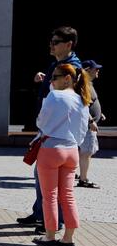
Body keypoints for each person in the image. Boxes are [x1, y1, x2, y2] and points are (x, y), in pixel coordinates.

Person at [17, 26, 81, 233]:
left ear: (68, 44)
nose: (51, 45)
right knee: (64, 192)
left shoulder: (71, 68)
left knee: (52, 190)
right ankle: (55, 226)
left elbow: (58, 103)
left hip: (54, 137)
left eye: (55, 42)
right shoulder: (61, 66)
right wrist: (46, 78)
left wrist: (43, 128)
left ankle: (50, 228)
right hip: (66, 142)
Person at [32, 63, 91, 246]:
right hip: (72, 149)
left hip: (51, 148)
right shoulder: (82, 99)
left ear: (67, 78)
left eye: (54, 77)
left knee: (49, 196)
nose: (51, 81)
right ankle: (68, 238)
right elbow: (83, 129)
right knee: (68, 195)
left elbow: (41, 121)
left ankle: (50, 236)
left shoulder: (54, 95)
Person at [77, 59, 105, 188]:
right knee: (86, 152)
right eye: (95, 68)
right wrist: (91, 121)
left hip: (89, 124)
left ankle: (78, 175)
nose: (98, 70)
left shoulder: (88, 83)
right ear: (87, 70)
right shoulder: (83, 84)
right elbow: (82, 105)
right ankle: (83, 179)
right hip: (87, 126)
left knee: (85, 152)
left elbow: (91, 103)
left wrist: (99, 114)